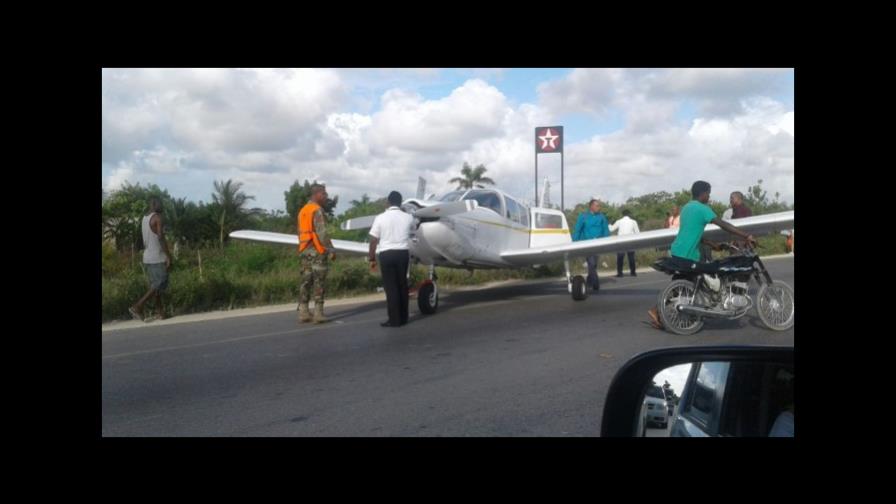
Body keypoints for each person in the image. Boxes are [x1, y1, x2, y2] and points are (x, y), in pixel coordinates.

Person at [647, 181, 757, 329]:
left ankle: (656, 311)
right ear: (703, 193)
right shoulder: (703, 209)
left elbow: (694, 232)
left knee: (683, 281)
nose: (709, 196)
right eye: (709, 193)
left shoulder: (686, 208)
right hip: (688, 254)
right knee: (715, 269)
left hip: (677, 251)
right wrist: (746, 236)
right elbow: (724, 225)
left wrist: (714, 245)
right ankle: (713, 303)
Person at [369, 191, 415, 327]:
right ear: (400, 203)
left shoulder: (380, 218)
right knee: (402, 285)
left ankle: (394, 320)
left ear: (388, 202)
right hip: (402, 253)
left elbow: (373, 239)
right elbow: (413, 230)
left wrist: (371, 257)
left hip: (387, 254)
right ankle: (404, 317)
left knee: (391, 288)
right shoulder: (408, 217)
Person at [297, 184, 336, 324]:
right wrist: (330, 250)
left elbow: (300, 233)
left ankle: (303, 312)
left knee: (305, 282)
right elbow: (322, 233)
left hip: (304, 250)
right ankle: (318, 313)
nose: (326, 197)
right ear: (317, 194)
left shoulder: (303, 210)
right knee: (319, 282)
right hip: (317, 251)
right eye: (324, 194)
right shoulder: (317, 210)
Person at [129, 197, 172, 322]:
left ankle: (160, 313)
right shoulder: (157, 218)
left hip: (147, 256)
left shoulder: (144, 218)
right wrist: (168, 256)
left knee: (155, 286)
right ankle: (138, 306)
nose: (162, 206)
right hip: (157, 257)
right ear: (154, 204)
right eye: (160, 204)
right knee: (161, 281)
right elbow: (161, 238)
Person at [573, 199, 610, 291]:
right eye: (597, 206)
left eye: (599, 206)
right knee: (592, 263)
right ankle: (595, 283)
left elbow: (606, 230)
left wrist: (608, 241)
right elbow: (578, 229)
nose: (599, 207)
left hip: (599, 244)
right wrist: (575, 242)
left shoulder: (602, 217)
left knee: (594, 264)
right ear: (591, 207)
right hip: (587, 244)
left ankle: (589, 281)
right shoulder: (583, 216)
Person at [609, 209, 640, 277]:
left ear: (622, 214)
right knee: (631, 257)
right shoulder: (633, 222)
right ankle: (633, 272)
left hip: (621, 241)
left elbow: (611, 229)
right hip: (630, 241)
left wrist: (610, 224)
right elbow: (637, 233)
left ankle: (620, 273)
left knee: (620, 258)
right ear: (629, 214)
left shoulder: (619, 221)